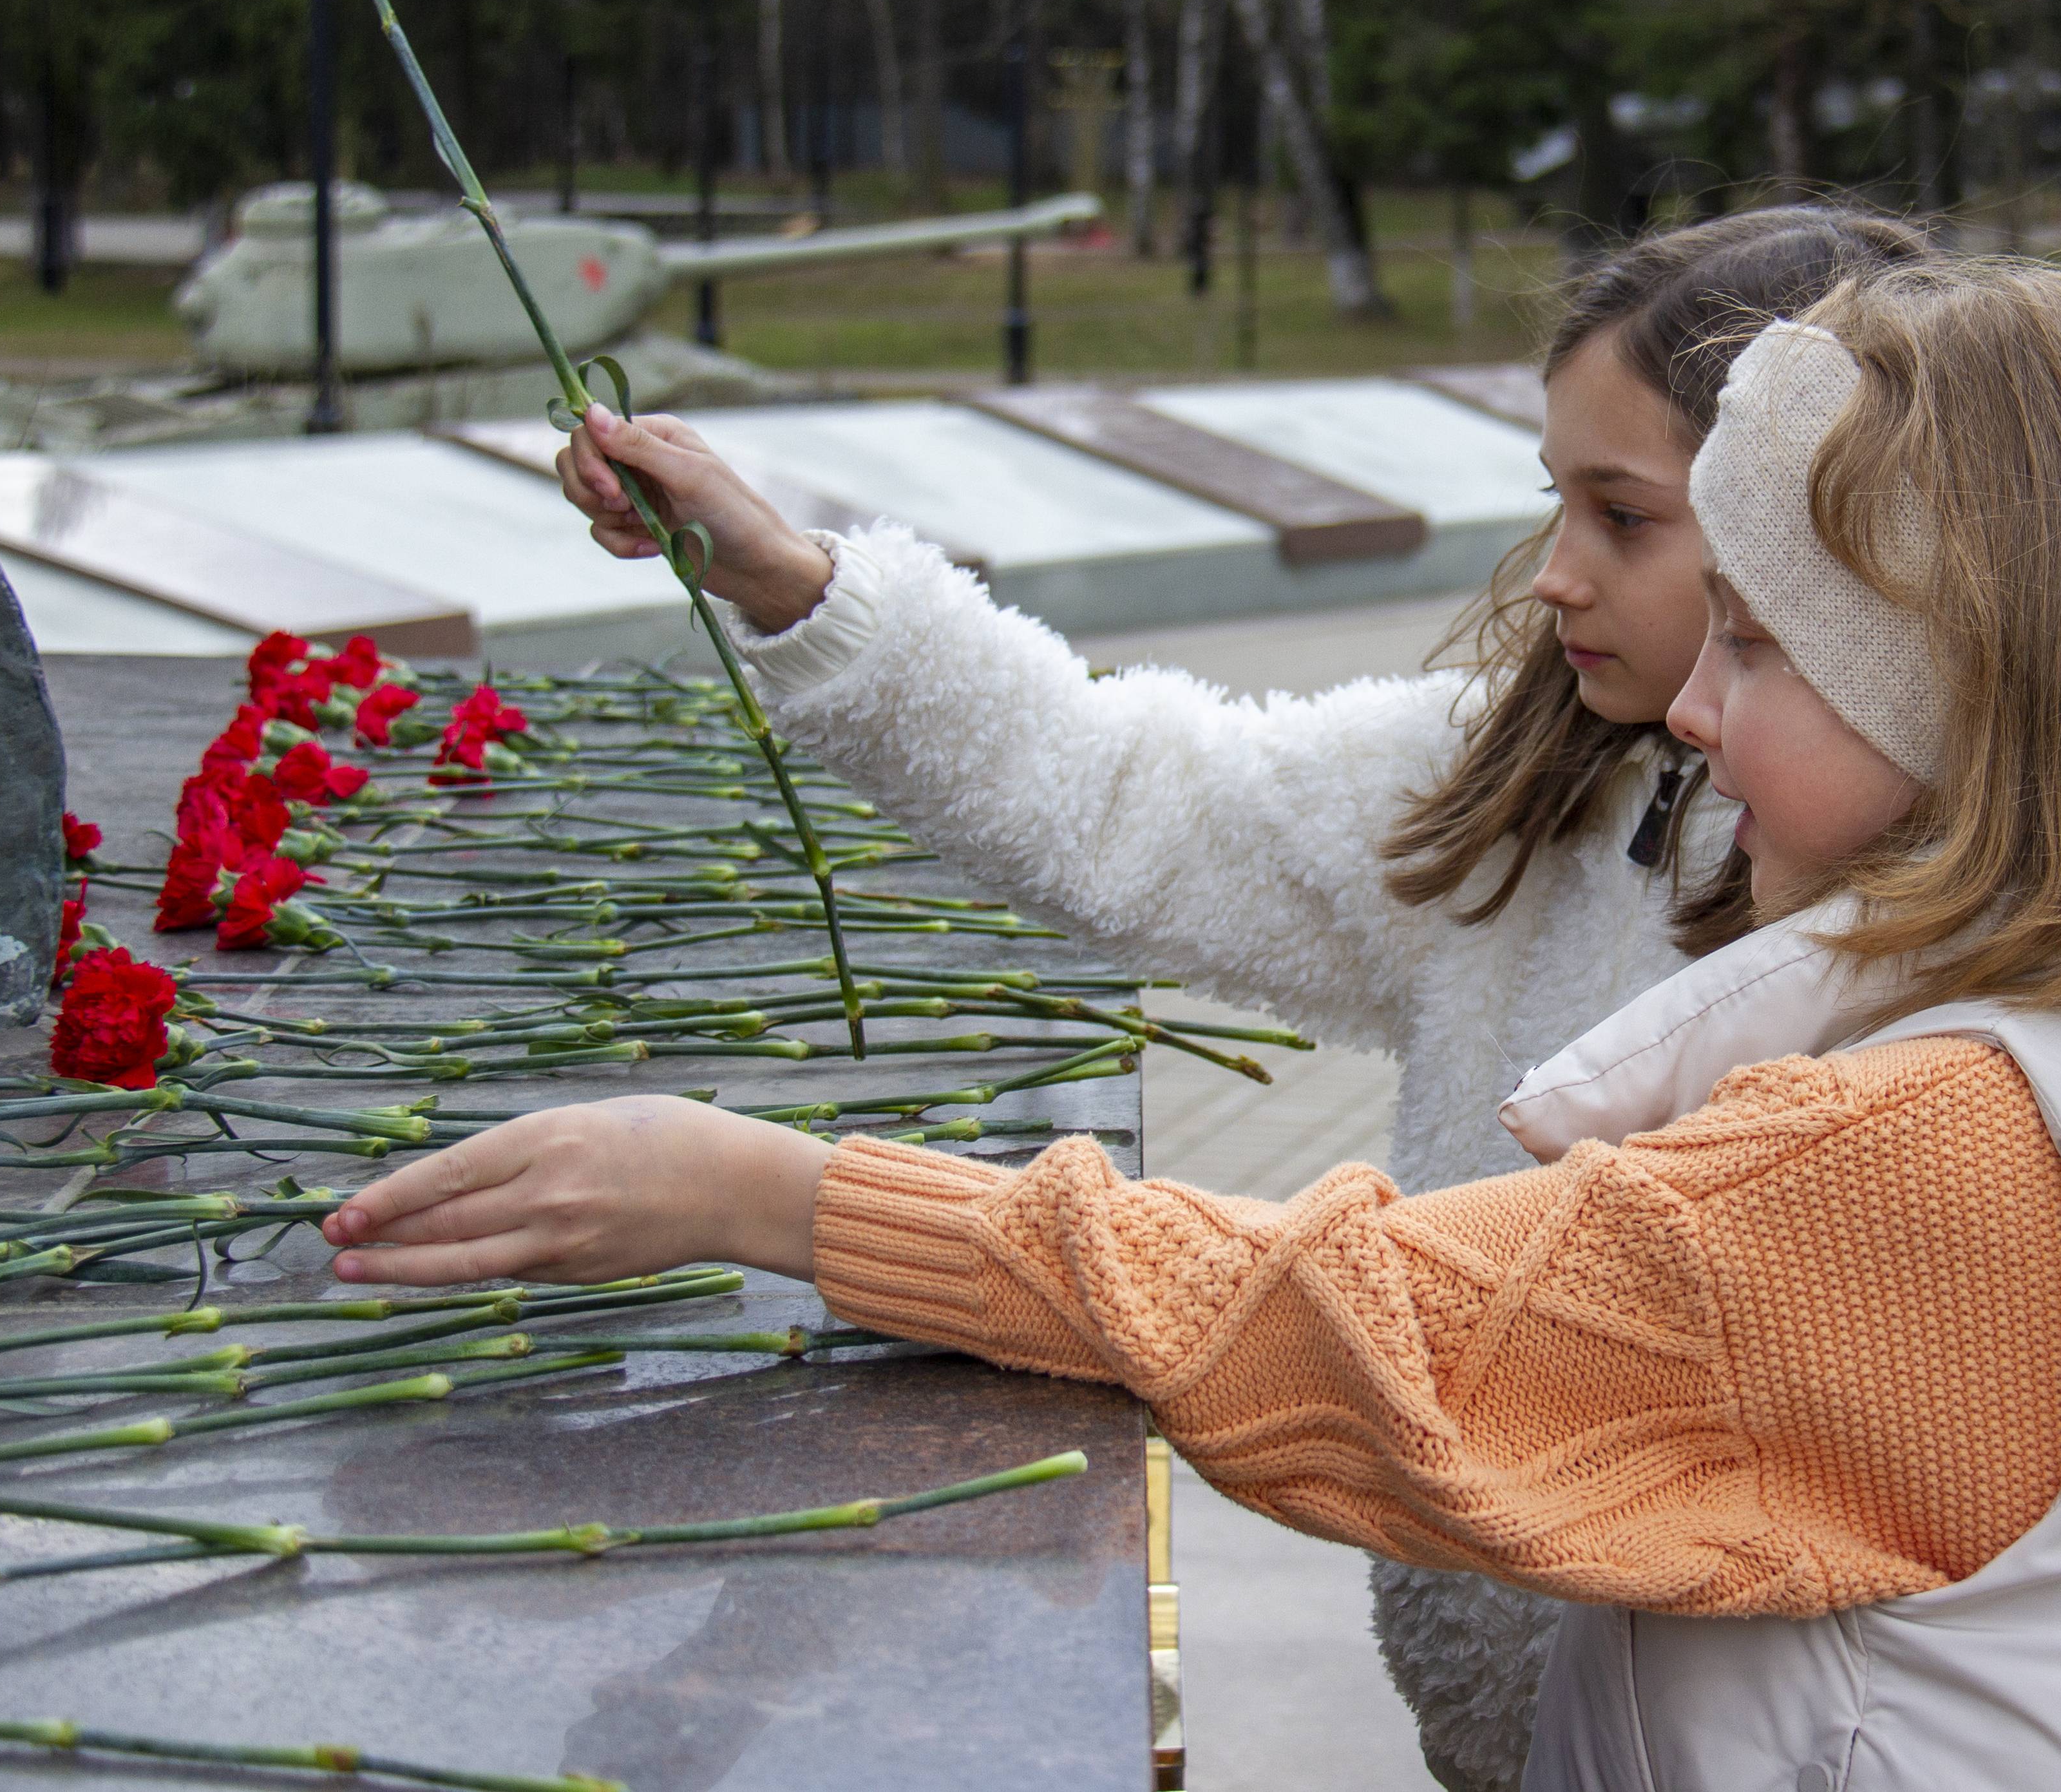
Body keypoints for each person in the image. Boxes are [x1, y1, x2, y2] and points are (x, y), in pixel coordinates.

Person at [337, 254, 2061, 1789]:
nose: (1680, 697)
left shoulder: (1934, 1151)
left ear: (1960, 676)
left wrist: (766, 1192)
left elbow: (1372, 1337)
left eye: (1751, 637)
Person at [540, 205, 1938, 1792]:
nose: (1554, 576)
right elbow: (1134, 799)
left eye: (1623, 516)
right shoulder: (1537, 785)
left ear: (1834, 534)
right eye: (1554, 501)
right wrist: (800, 582)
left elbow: (1444, 1342)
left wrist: (790, 1200)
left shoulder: (1923, 984)